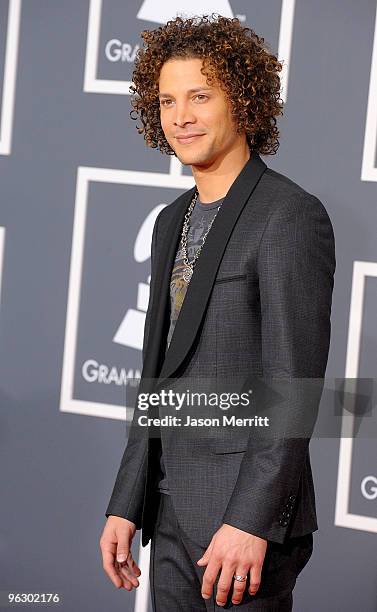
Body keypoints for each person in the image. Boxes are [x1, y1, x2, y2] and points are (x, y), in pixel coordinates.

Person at [99, 14, 335, 611]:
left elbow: (292, 385)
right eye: (168, 100)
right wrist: (127, 501)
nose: (182, 116)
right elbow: (159, 376)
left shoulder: (289, 216)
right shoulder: (170, 220)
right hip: (170, 510)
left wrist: (252, 522)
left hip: (242, 526)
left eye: (201, 96)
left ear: (244, 100)